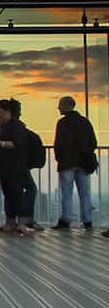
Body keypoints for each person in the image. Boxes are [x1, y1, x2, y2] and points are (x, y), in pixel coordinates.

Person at [0, 98, 32, 235]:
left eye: (0, 112)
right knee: (9, 194)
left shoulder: (16, 126)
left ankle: (21, 223)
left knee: (16, 194)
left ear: (8, 111)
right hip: (5, 167)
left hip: (14, 167)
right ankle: (10, 222)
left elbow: (16, 144)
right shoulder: (4, 126)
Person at [53, 95, 98, 230]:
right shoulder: (84, 122)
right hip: (83, 163)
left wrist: (59, 158)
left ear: (67, 106)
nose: (58, 108)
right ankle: (87, 221)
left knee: (67, 193)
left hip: (67, 163)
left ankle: (66, 220)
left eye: (60, 105)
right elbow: (93, 142)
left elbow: (58, 144)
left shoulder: (62, 123)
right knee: (84, 193)